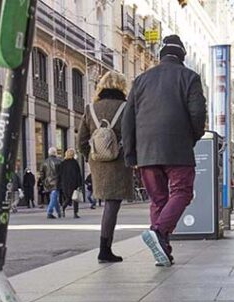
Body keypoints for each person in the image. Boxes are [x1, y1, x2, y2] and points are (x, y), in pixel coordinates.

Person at [122, 35, 207, 267]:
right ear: (182, 56)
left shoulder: (140, 80)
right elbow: (198, 114)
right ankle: (158, 232)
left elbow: (127, 119)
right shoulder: (190, 77)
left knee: (158, 200)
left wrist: (131, 153)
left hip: (146, 151)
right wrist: (193, 136)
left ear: (160, 56)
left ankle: (164, 252)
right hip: (177, 147)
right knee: (182, 192)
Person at [78, 70, 135, 262]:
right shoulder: (126, 107)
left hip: (98, 164)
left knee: (109, 204)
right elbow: (132, 136)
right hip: (119, 162)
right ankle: (104, 249)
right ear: (121, 85)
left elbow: (81, 142)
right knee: (112, 204)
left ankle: (106, 248)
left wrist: (93, 158)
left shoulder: (90, 109)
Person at [57, 148, 83, 219]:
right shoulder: (75, 163)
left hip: (65, 184)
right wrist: (80, 184)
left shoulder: (62, 163)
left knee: (68, 198)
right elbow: (78, 174)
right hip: (73, 183)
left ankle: (63, 208)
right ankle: (75, 213)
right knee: (75, 198)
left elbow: (59, 174)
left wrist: (59, 184)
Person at [40, 147, 62, 219]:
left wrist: (43, 181)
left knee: (54, 197)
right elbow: (61, 173)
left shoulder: (45, 162)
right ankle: (49, 212)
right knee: (54, 197)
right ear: (55, 153)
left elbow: (42, 173)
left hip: (48, 182)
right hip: (56, 182)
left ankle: (59, 212)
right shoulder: (59, 162)